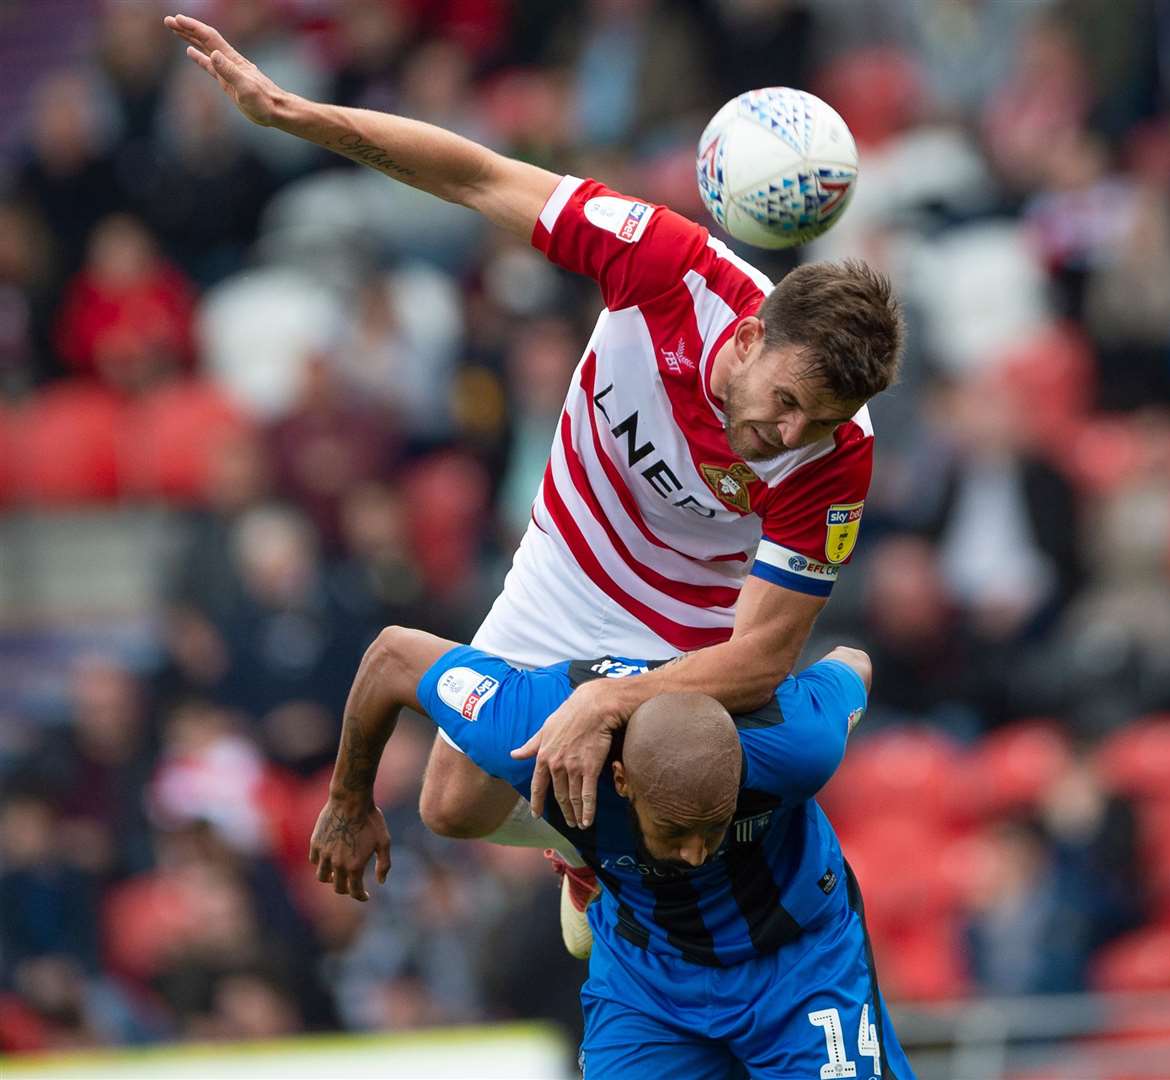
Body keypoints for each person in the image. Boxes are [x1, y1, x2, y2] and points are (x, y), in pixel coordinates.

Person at [166, 14, 903, 948]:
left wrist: (611, 700)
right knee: (450, 806)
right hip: (567, 561)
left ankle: (621, 861)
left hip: (691, 623)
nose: (788, 435)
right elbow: (474, 175)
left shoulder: (837, 455)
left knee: (674, 796)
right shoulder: (665, 263)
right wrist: (291, 113)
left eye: (820, 421)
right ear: (752, 337)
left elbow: (759, 655)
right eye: (789, 401)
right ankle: (583, 849)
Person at [309, 625, 915, 1080]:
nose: (697, 852)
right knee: (448, 807)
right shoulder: (527, 721)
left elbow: (852, 662)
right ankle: (583, 865)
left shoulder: (797, 744)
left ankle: (585, 866)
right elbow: (391, 656)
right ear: (621, 781)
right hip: (649, 976)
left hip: (799, 964)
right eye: (677, 831)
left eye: (716, 826)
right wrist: (348, 801)